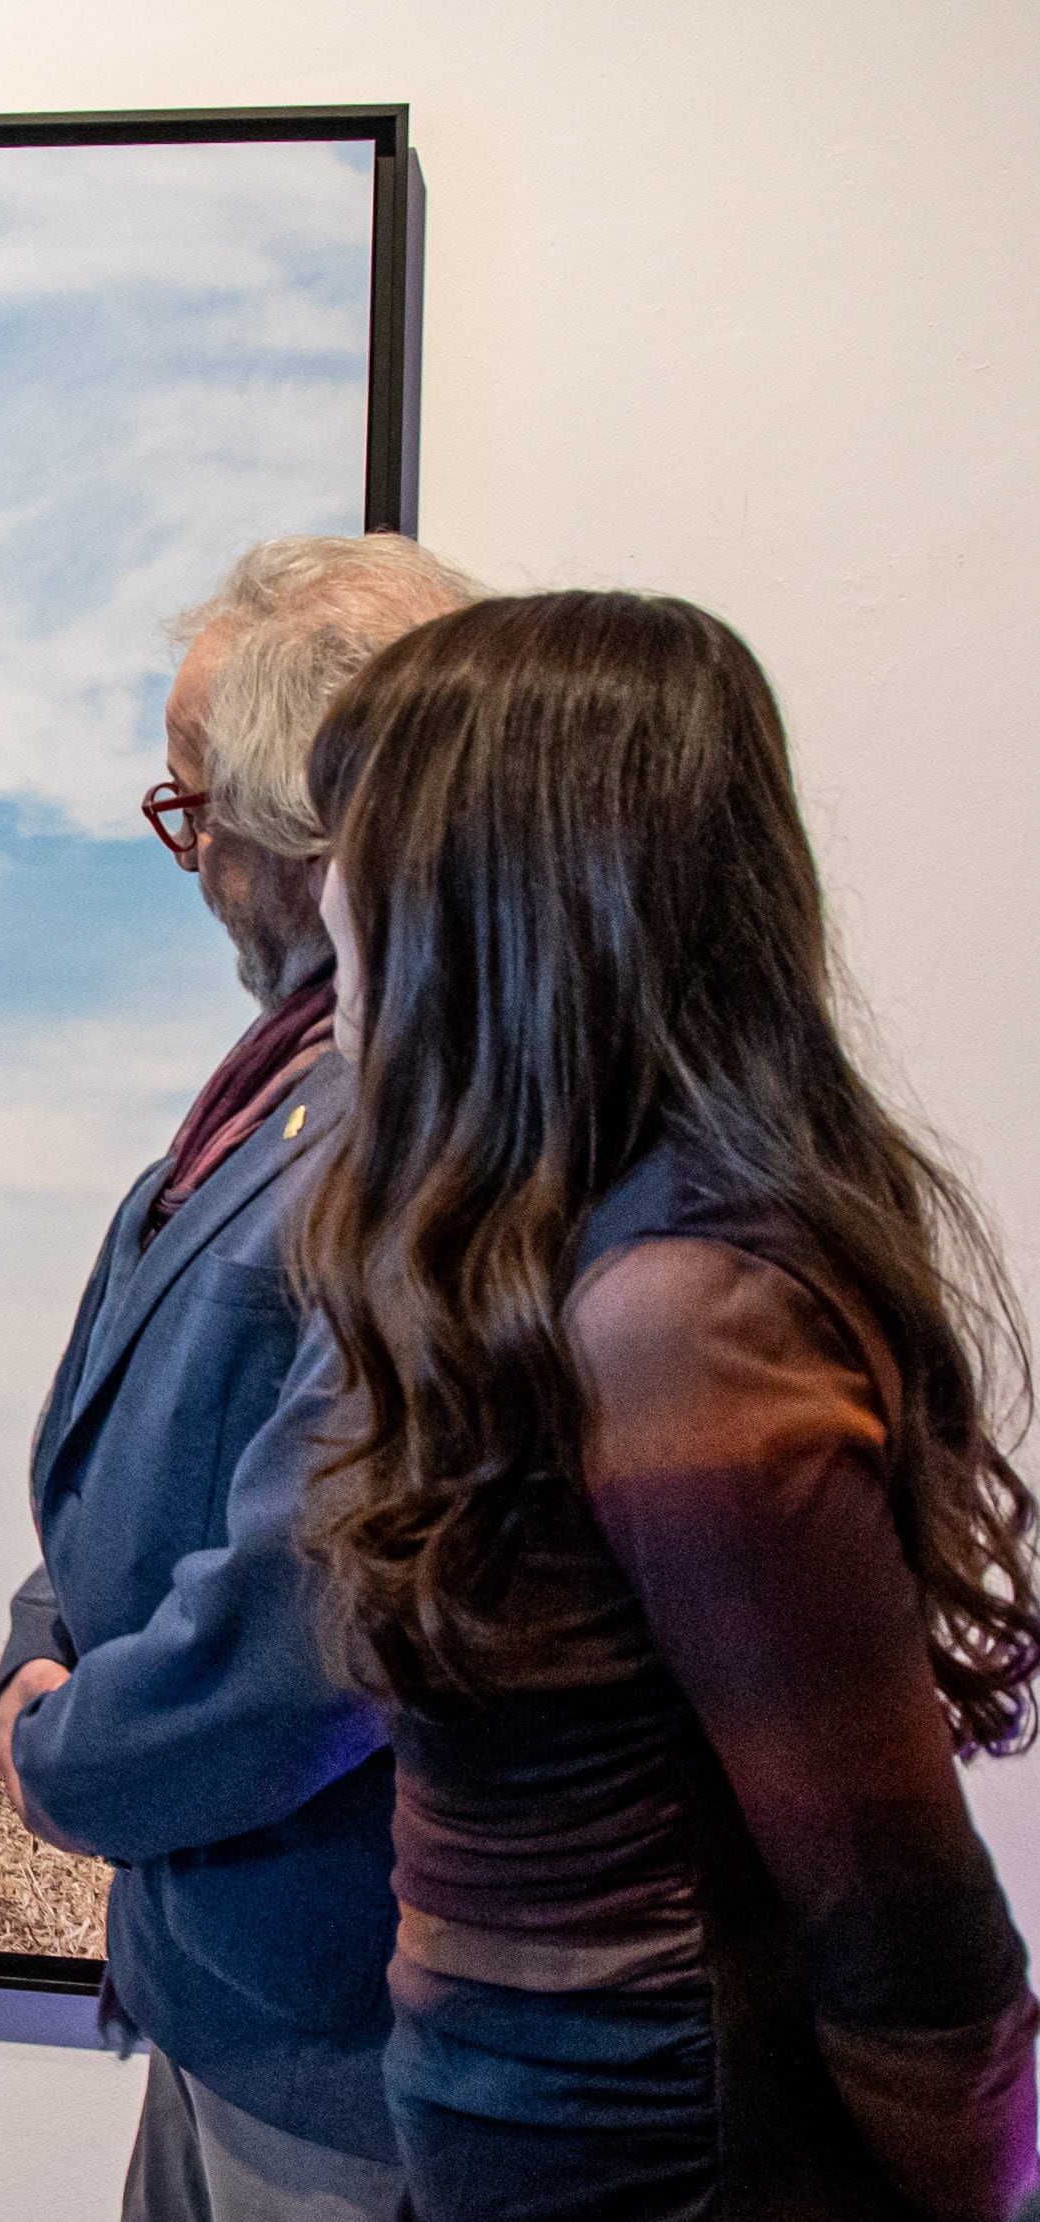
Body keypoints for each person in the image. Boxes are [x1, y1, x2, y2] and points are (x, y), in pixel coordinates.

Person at [297, 590, 1037, 2221]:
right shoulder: (560, 1264)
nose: (323, 888)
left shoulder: (672, 1317)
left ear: (494, 895)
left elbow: (905, 1939)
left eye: (355, 831)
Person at [0, 532, 478, 2219]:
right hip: (228, 1990)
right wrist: (39, 1633)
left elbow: (306, 1631)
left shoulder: (419, 1131)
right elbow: (121, 1466)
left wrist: (61, 1745)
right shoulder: (295, 1085)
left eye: (194, 809)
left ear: (306, 825)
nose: (188, 861)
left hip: (336, 2039)